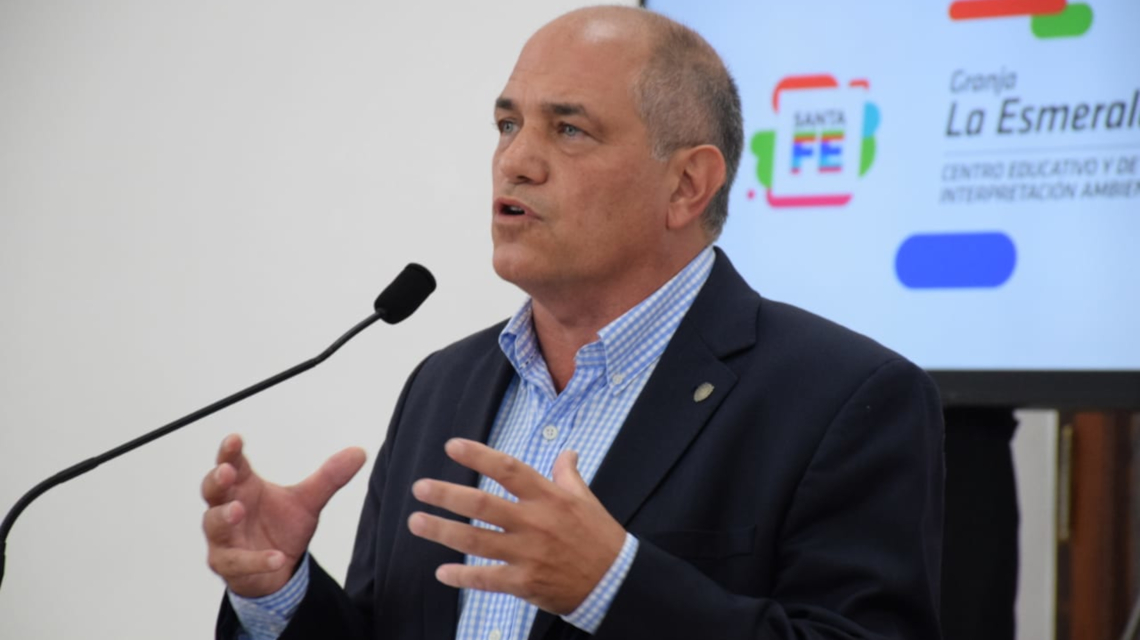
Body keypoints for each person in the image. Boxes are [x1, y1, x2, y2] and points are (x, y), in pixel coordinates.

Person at [201, 6, 945, 640]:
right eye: (507, 123)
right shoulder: (442, 386)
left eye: (569, 130)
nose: (515, 161)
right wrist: (279, 592)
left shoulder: (845, 398)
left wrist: (613, 586)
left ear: (687, 184)